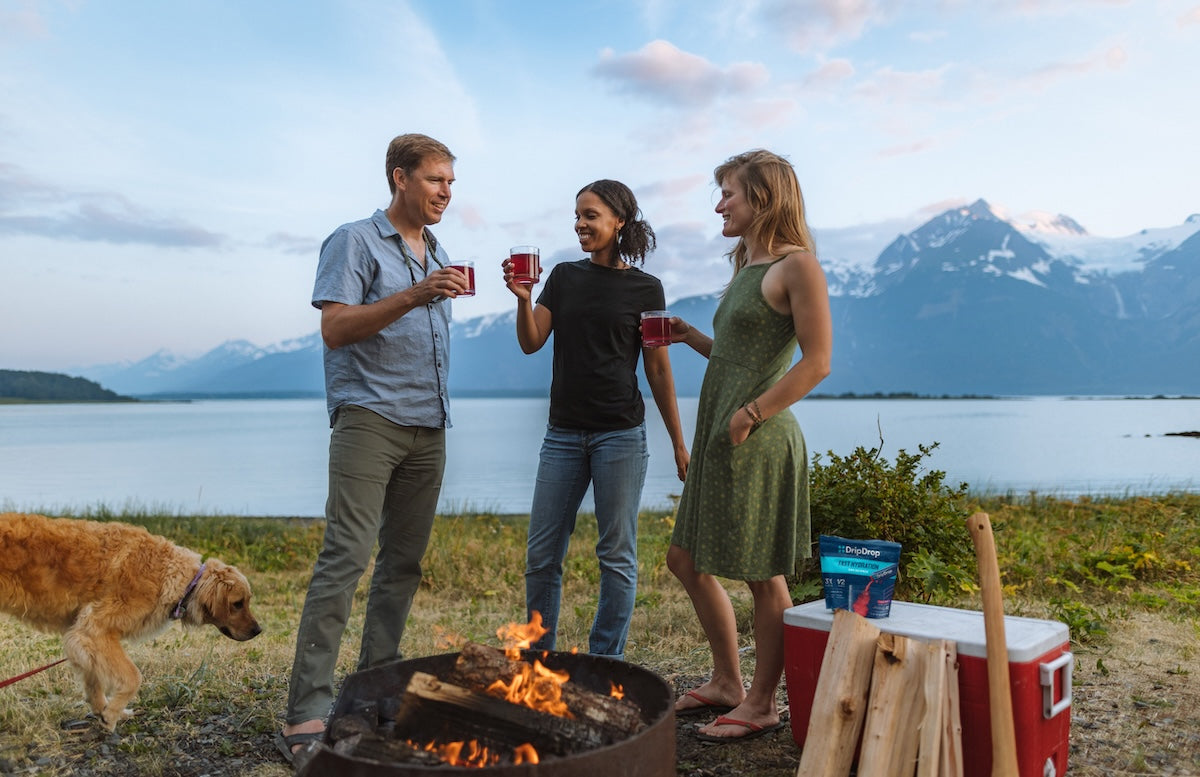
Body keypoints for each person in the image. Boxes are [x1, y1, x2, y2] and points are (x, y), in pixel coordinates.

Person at [277, 133, 470, 762]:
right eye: (436, 179)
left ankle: (374, 697)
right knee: (346, 559)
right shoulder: (354, 240)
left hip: (429, 426)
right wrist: (416, 294)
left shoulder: (436, 249)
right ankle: (306, 711)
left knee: (402, 567)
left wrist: (429, 290)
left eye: (451, 182)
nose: (447, 192)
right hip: (369, 421)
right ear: (400, 178)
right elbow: (335, 328)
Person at [666, 149, 832, 741]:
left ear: (761, 197)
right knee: (683, 558)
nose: (719, 204)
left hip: (758, 439)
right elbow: (740, 358)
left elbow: (817, 364)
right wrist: (690, 337)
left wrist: (753, 413)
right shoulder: (748, 267)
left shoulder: (798, 266)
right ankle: (728, 683)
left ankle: (762, 703)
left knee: (765, 577)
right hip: (724, 435)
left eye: (728, 193)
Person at [502, 179, 690, 660]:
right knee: (542, 556)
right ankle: (536, 662)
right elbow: (530, 341)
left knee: (617, 557)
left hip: (621, 436)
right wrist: (523, 298)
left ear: (619, 221)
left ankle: (606, 664)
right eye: (578, 215)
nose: (580, 224)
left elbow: (658, 368)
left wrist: (678, 442)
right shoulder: (564, 277)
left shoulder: (646, 288)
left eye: (591, 215)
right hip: (563, 435)